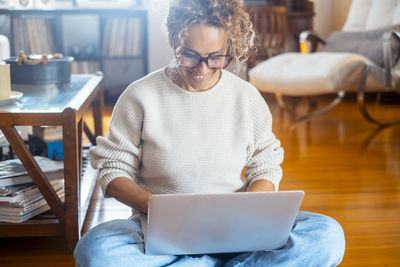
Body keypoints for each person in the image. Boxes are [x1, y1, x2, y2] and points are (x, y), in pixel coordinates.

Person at [74, 0, 345, 266]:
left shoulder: (246, 97)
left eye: (216, 57)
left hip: (237, 231)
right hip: (161, 233)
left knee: (328, 235)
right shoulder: (139, 96)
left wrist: (250, 211)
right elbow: (113, 171)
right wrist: (162, 210)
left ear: (230, 46)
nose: (202, 69)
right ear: (172, 40)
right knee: (95, 251)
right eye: (189, 55)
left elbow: (265, 164)